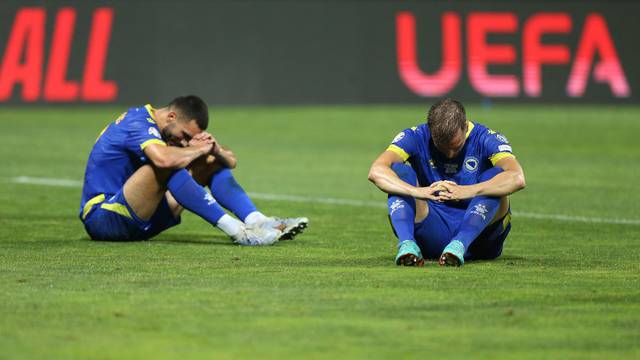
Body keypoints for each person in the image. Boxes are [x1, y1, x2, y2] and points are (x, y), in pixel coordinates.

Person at [79, 95, 308, 245]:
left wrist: (213, 149)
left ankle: (257, 221)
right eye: (184, 135)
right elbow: (163, 160)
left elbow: (230, 162)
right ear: (171, 116)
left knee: (210, 162)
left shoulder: (165, 132)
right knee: (167, 163)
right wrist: (196, 150)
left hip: (142, 219)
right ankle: (239, 232)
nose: (184, 141)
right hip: (105, 217)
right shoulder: (137, 122)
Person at [368, 99, 525, 266]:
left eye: (456, 148)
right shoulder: (415, 136)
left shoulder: (486, 138)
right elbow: (376, 171)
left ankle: (460, 244)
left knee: (497, 175)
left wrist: (470, 190)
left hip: (479, 236)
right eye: (442, 148)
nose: (450, 155)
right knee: (399, 171)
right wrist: (417, 191)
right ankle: (407, 245)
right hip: (433, 227)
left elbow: (517, 177)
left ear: (465, 127)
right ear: (430, 131)